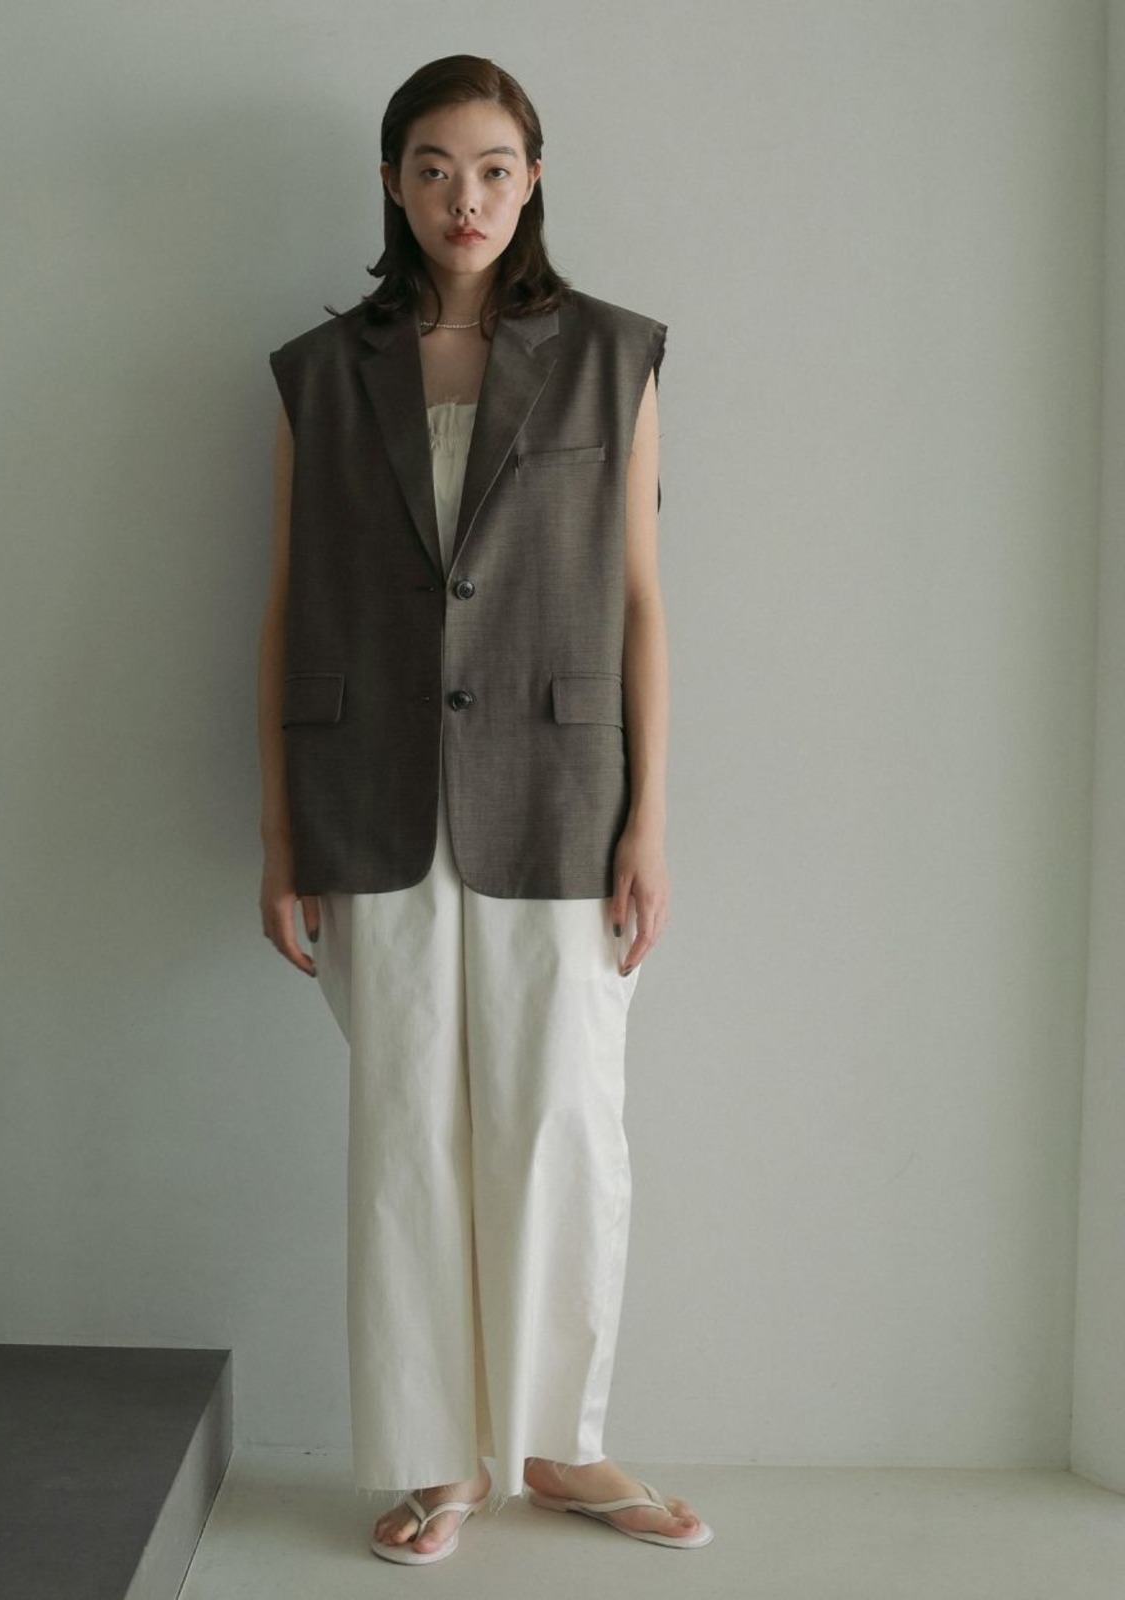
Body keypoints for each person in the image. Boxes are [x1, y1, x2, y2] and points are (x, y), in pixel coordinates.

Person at [258, 54, 713, 1565]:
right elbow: (288, 604)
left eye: (497, 167)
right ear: (394, 182)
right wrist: (278, 836)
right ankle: (438, 1460)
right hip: (371, 798)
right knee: (410, 1133)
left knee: (567, 1123)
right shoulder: (323, 373)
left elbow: (640, 600)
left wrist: (651, 823)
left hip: (564, 798)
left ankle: (559, 1445)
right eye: (437, 167)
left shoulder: (613, 355)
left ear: (535, 180)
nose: (469, 197)